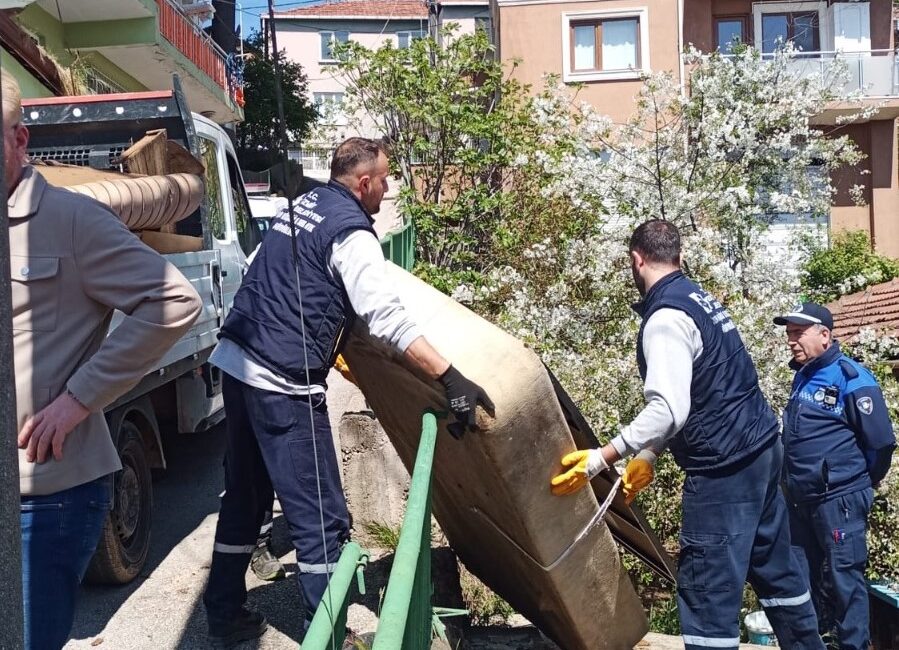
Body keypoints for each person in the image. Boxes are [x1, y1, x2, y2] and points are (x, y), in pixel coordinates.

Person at [203, 137, 493, 648]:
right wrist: (450, 376)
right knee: (320, 516)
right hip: (281, 381)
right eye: (384, 180)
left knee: (246, 498)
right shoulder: (351, 231)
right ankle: (332, 632)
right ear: (364, 183)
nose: (387, 189)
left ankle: (223, 613)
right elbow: (384, 316)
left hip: (238, 363)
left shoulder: (305, 207)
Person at [550, 219, 823, 650]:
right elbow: (705, 388)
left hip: (725, 471)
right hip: (763, 453)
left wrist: (604, 457)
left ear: (636, 260)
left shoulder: (665, 319)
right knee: (777, 569)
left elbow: (668, 408)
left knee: (707, 590)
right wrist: (651, 453)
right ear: (678, 257)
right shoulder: (700, 299)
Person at [3, 68, 202, 649]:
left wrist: (77, 400)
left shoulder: (71, 221)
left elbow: (173, 302)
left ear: (20, 141)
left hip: (42, 495)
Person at [774, 302, 895, 650]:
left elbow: (881, 445)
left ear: (824, 335)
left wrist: (854, 484)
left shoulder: (852, 378)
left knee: (845, 580)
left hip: (839, 501)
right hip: (801, 501)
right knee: (804, 579)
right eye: (788, 334)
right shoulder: (803, 375)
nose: (790, 341)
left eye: (798, 333)